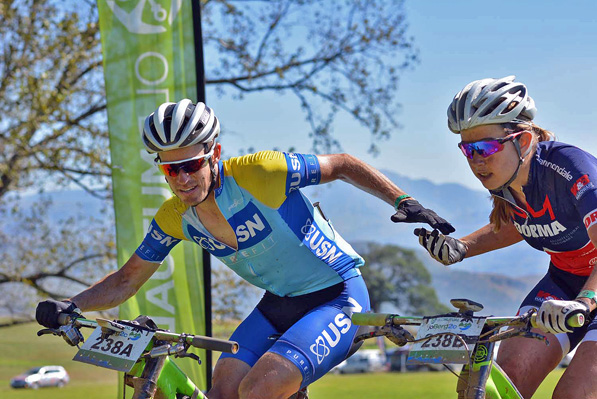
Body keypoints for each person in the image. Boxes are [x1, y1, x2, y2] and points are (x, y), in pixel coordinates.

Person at [36, 99, 454, 399]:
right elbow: (126, 280)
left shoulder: (260, 172)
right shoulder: (173, 217)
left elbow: (342, 163)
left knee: (259, 391)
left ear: (213, 154)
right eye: (170, 168)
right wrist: (70, 305)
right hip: (279, 303)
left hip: (338, 295)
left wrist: (404, 202)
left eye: (191, 165)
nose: (182, 179)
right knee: (223, 392)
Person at [414, 76, 597, 399]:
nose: (475, 160)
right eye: (467, 149)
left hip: (587, 292)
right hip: (565, 282)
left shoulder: (570, 168)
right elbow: (523, 222)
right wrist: (461, 248)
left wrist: (586, 300)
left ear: (523, 141)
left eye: (484, 147)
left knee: (575, 393)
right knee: (503, 383)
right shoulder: (508, 185)